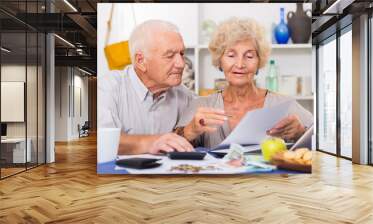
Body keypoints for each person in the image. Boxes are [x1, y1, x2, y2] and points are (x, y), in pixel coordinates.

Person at [175, 17, 313, 148]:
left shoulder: (283, 105)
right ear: (220, 60)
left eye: (249, 56)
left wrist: (300, 133)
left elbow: (322, 140)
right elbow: (170, 147)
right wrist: (189, 131)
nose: (240, 64)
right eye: (231, 55)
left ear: (259, 61)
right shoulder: (201, 105)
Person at [98, 20, 195, 155]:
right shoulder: (107, 88)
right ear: (140, 61)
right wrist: (152, 142)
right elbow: (102, 141)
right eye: (170, 55)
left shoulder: (185, 95)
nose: (181, 64)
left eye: (182, 54)